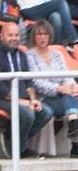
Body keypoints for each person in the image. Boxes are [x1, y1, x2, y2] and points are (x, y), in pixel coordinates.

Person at [25, 20, 78, 158]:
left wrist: (71, 86)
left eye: (45, 34)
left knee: (72, 96)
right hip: (43, 97)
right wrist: (59, 89)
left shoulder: (57, 54)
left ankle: (76, 135)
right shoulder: (30, 55)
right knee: (73, 103)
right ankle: (77, 143)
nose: (43, 37)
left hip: (62, 96)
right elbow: (36, 82)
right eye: (39, 34)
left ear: (50, 36)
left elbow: (66, 75)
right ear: (34, 37)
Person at [0, 21, 53, 158]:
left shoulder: (22, 55)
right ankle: (18, 149)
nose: (14, 38)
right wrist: (19, 101)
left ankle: (15, 142)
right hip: (3, 98)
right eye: (10, 35)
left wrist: (33, 99)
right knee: (27, 114)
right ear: (1, 36)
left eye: (17, 35)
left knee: (45, 112)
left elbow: (28, 81)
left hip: (21, 99)